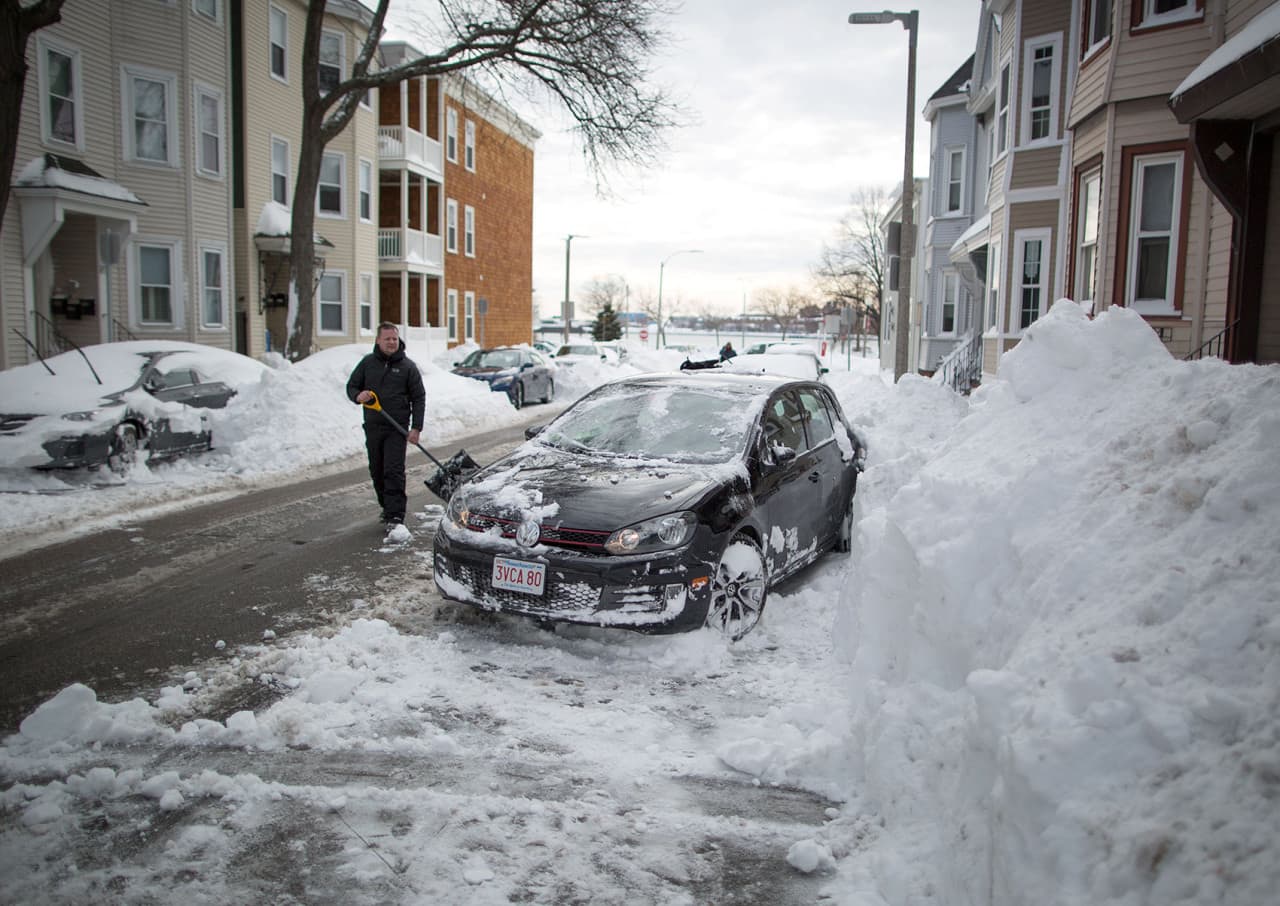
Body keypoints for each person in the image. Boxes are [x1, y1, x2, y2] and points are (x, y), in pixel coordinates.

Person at [346, 323, 426, 526]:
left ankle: (396, 514)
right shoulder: (367, 363)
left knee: (393, 470)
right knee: (377, 470)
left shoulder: (408, 367)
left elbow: (418, 398)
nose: (392, 342)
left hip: (396, 428)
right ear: (378, 340)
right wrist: (358, 395)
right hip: (373, 426)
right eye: (387, 339)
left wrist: (416, 427)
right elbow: (352, 386)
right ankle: (386, 506)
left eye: (394, 339)